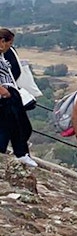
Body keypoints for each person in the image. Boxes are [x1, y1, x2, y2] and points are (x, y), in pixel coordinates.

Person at [0, 29, 37, 168]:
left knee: (12, 125)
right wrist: (3, 91)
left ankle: (18, 153)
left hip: (10, 91)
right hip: (6, 92)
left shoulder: (2, 55)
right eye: (9, 43)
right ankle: (20, 154)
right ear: (3, 41)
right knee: (16, 125)